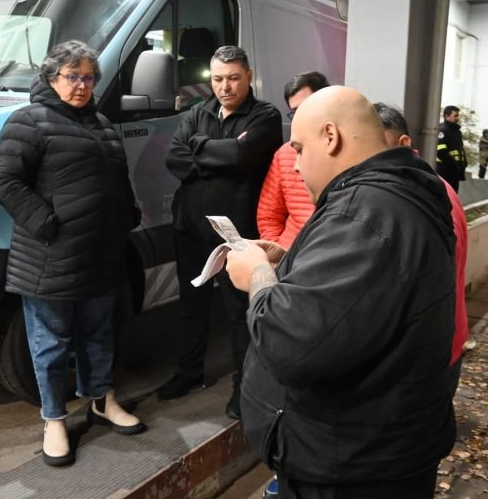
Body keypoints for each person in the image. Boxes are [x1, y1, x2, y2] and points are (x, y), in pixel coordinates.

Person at [228, 87, 456, 498]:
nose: (295, 166)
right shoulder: (396, 194)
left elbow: (286, 340)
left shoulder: (363, 213)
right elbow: (359, 300)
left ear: (330, 137)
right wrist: (290, 263)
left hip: (351, 467)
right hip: (378, 450)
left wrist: (258, 274)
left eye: (298, 148)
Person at [0, 40, 146, 468]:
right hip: (50, 258)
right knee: (50, 345)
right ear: (51, 77)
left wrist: (128, 213)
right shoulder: (28, 120)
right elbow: (4, 182)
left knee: (100, 335)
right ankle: (54, 419)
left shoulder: (101, 123)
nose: (81, 85)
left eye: (88, 77)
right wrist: (47, 225)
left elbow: (118, 178)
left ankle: (101, 399)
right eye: (72, 76)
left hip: (101, 254)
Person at [158, 45, 282, 420]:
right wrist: (218, 152)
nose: (224, 87)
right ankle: (189, 373)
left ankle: (243, 386)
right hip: (190, 227)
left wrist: (202, 149)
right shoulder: (198, 112)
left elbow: (243, 157)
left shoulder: (265, 115)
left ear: (248, 76)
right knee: (191, 307)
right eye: (216, 79)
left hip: (236, 235)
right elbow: (174, 158)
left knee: (237, 312)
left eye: (232, 78)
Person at [375, 102, 468, 399]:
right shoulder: (427, 187)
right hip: (441, 345)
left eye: (377, 148)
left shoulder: (414, 199)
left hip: (423, 358)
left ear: (404, 143)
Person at [256, 71, 329, 249]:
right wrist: (279, 252)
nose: (301, 117)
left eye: (307, 107)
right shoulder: (284, 154)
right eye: (295, 112)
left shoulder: (348, 152)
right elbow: (268, 215)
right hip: (291, 256)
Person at [436, 105, 468, 191]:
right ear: (447, 116)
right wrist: (454, 164)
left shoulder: (457, 132)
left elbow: (460, 149)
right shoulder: (443, 130)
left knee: (453, 195)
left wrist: (463, 163)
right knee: (446, 196)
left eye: (458, 115)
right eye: (455, 116)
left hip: (454, 171)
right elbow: (440, 152)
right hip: (444, 171)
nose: (457, 118)